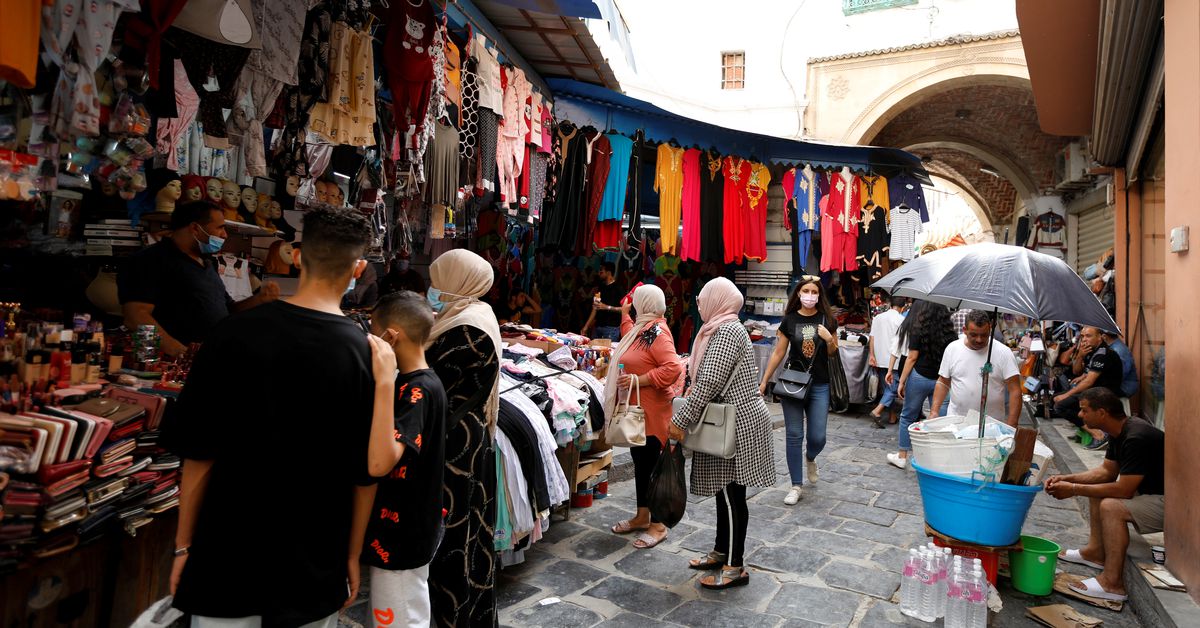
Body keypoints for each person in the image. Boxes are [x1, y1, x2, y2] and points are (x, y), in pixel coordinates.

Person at [166, 207, 386, 628]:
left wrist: (183, 546)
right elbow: (365, 475)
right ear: (358, 268)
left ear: (297, 256)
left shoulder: (231, 333)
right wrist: (352, 556)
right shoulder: (369, 356)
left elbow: (198, 454)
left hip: (227, 551)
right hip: (314, 557)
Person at [670, 277, 775, 590]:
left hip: (738, 424)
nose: (700, 304)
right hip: (728, 421)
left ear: (717, 300)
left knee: (731, 496)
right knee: (724, 492)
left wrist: (682, 419)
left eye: (704, 298)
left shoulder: (727, 331)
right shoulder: (718, 329)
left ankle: (734, 566)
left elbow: (710, 382)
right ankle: (720, 552)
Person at [424, 249, 502, 627]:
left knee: (454, 540)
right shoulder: (471, 316)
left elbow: (429, 379)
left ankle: (454, 617)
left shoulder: (467, 329)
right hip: (465, 437)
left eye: (438, 281)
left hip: (456, 445)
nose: (433, 290)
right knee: (465, 536)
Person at [362, 292, 448, 627]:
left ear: (391, 336)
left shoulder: (415, 391)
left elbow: (381, 463)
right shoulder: (424, 382)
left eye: (374, 332)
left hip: (401, 536)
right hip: (406, 529)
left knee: (396, 618)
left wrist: (383, 380)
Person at [1045, 388, 1164, 603]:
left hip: (1170, 504)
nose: (1080, 415)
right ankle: (1095, 552)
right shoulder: (1120, 430)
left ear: (1101, 413)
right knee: (1101, 488)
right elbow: (1106, 472)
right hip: (1149, 492)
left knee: (1111, 506)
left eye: (1084, 410)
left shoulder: (1136, 436)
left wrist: (1072, 489)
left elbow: (1124, 490)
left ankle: (1112, 583)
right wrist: (1067, 478)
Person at [118, 201, 279, 357]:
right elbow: (136, 316)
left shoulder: (207, 264)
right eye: (220, 228)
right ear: (195, 228)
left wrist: (259, 299)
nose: (224, 234)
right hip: (169, 370)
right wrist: (179, 352)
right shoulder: (151, 260)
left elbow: (228, 311)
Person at [604, 285, 683, 549]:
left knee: (653, 469)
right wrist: (625, 315)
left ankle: (658, 525)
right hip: (639, 414)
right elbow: (631, 340)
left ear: (645, 304)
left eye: (637, 302)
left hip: (653, 413)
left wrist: (642, 379)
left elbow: (672, 367)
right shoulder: (642, 330)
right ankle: (642, 516)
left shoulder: (658, 332)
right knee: (641, 464)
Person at [760, 275, 838, 504]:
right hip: (793, 383)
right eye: (806, 291)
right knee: (794, 435)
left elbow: (834, 353)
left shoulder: (828, 320)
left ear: (819, 295)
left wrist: (828, 339)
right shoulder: (789, 321)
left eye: (815, 292)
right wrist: (764, 380)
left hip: (820, 384)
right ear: (798, 294)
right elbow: (778, 353)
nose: (810, 296)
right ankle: (796, 485)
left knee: (818, 436)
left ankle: (811, 456)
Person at [887, 300, 957, 469]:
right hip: (942, 380)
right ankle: (936, 459)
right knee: (941, 420)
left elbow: (912, 357)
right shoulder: (950, 333)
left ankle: (902, 455)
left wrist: (902, 381)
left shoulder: (919, 329)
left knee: (908, 416)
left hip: (919, 376)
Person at [930, 310, 1023, 426]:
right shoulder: (952, 349)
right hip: (957, 422)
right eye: (973, 335)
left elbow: (1015, 390)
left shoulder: (1003, 352)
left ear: (990, 330)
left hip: (992, 425)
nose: (979, 340)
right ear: (965, 330)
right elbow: (943, 382)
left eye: (984, 335)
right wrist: (934, 411)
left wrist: (1012, 424)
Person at [1054, 326, 1125, 448]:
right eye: (1082, 336)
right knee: (1055, 397)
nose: (1084, 339)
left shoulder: (1103, 354)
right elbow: (1077, 372)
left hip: (1105, 393)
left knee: (1061, 405)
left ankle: (1099, 435)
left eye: (1088, 336)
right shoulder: (1090, 351)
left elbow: (1089, 381)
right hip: (1093, 391)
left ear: (1100, 337)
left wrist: (1066, 395)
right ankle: (1083, 431)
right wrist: (1080, 356)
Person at [868, 296, 908, 427]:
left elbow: (872, 337)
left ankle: (892, 416)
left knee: (887, 388)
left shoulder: (878, 318)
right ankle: (877, 411)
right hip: (894, 360)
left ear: (890, 304)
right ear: (903, 307)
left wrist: (872, 355)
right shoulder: (902, 320)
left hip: (879, 357)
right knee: (893, 389)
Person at [583, 261, 626, 341]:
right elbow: (595, 307)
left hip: (611, 329)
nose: (599, 273)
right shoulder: (601, 287)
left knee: (607, 352)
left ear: (608, 272)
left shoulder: (619, 289)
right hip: (597, 328)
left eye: (601, 271)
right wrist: (586, 326)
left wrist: (607, 307)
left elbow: (625, 309)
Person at [1103, 331, 1139, 398]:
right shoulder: (1111, 347)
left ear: (1104, 336)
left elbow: (1121, 373)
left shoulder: (1119, 350)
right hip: (1119, 384)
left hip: (1124, 386)